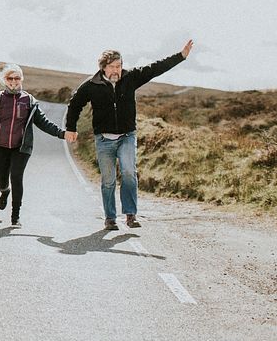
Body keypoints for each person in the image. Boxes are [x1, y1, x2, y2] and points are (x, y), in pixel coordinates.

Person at [64, 40, 194, 231]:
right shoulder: (91, 85)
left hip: (126, 136)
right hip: (104, 139)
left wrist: (181, 56)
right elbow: (74, 105)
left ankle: (130, 215)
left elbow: (155, 68)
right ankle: (110, 218)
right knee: (108, 180)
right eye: (113, 67)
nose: (117, 70)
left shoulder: (130, 77)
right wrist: (70, 128)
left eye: (119, 65)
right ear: (103, 68)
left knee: (128, 173)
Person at [0, 63, 67, 226]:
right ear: (4, 80)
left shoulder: (29, 101)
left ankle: (15, 216)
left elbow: (43, 123)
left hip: (21, 147)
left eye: (17, 78)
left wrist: (62, 133)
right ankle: (5, 191)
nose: (14, 81)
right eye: (10, 78)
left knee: (16, 176)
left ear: (22, 79)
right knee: (1, 181)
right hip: (0, 146)